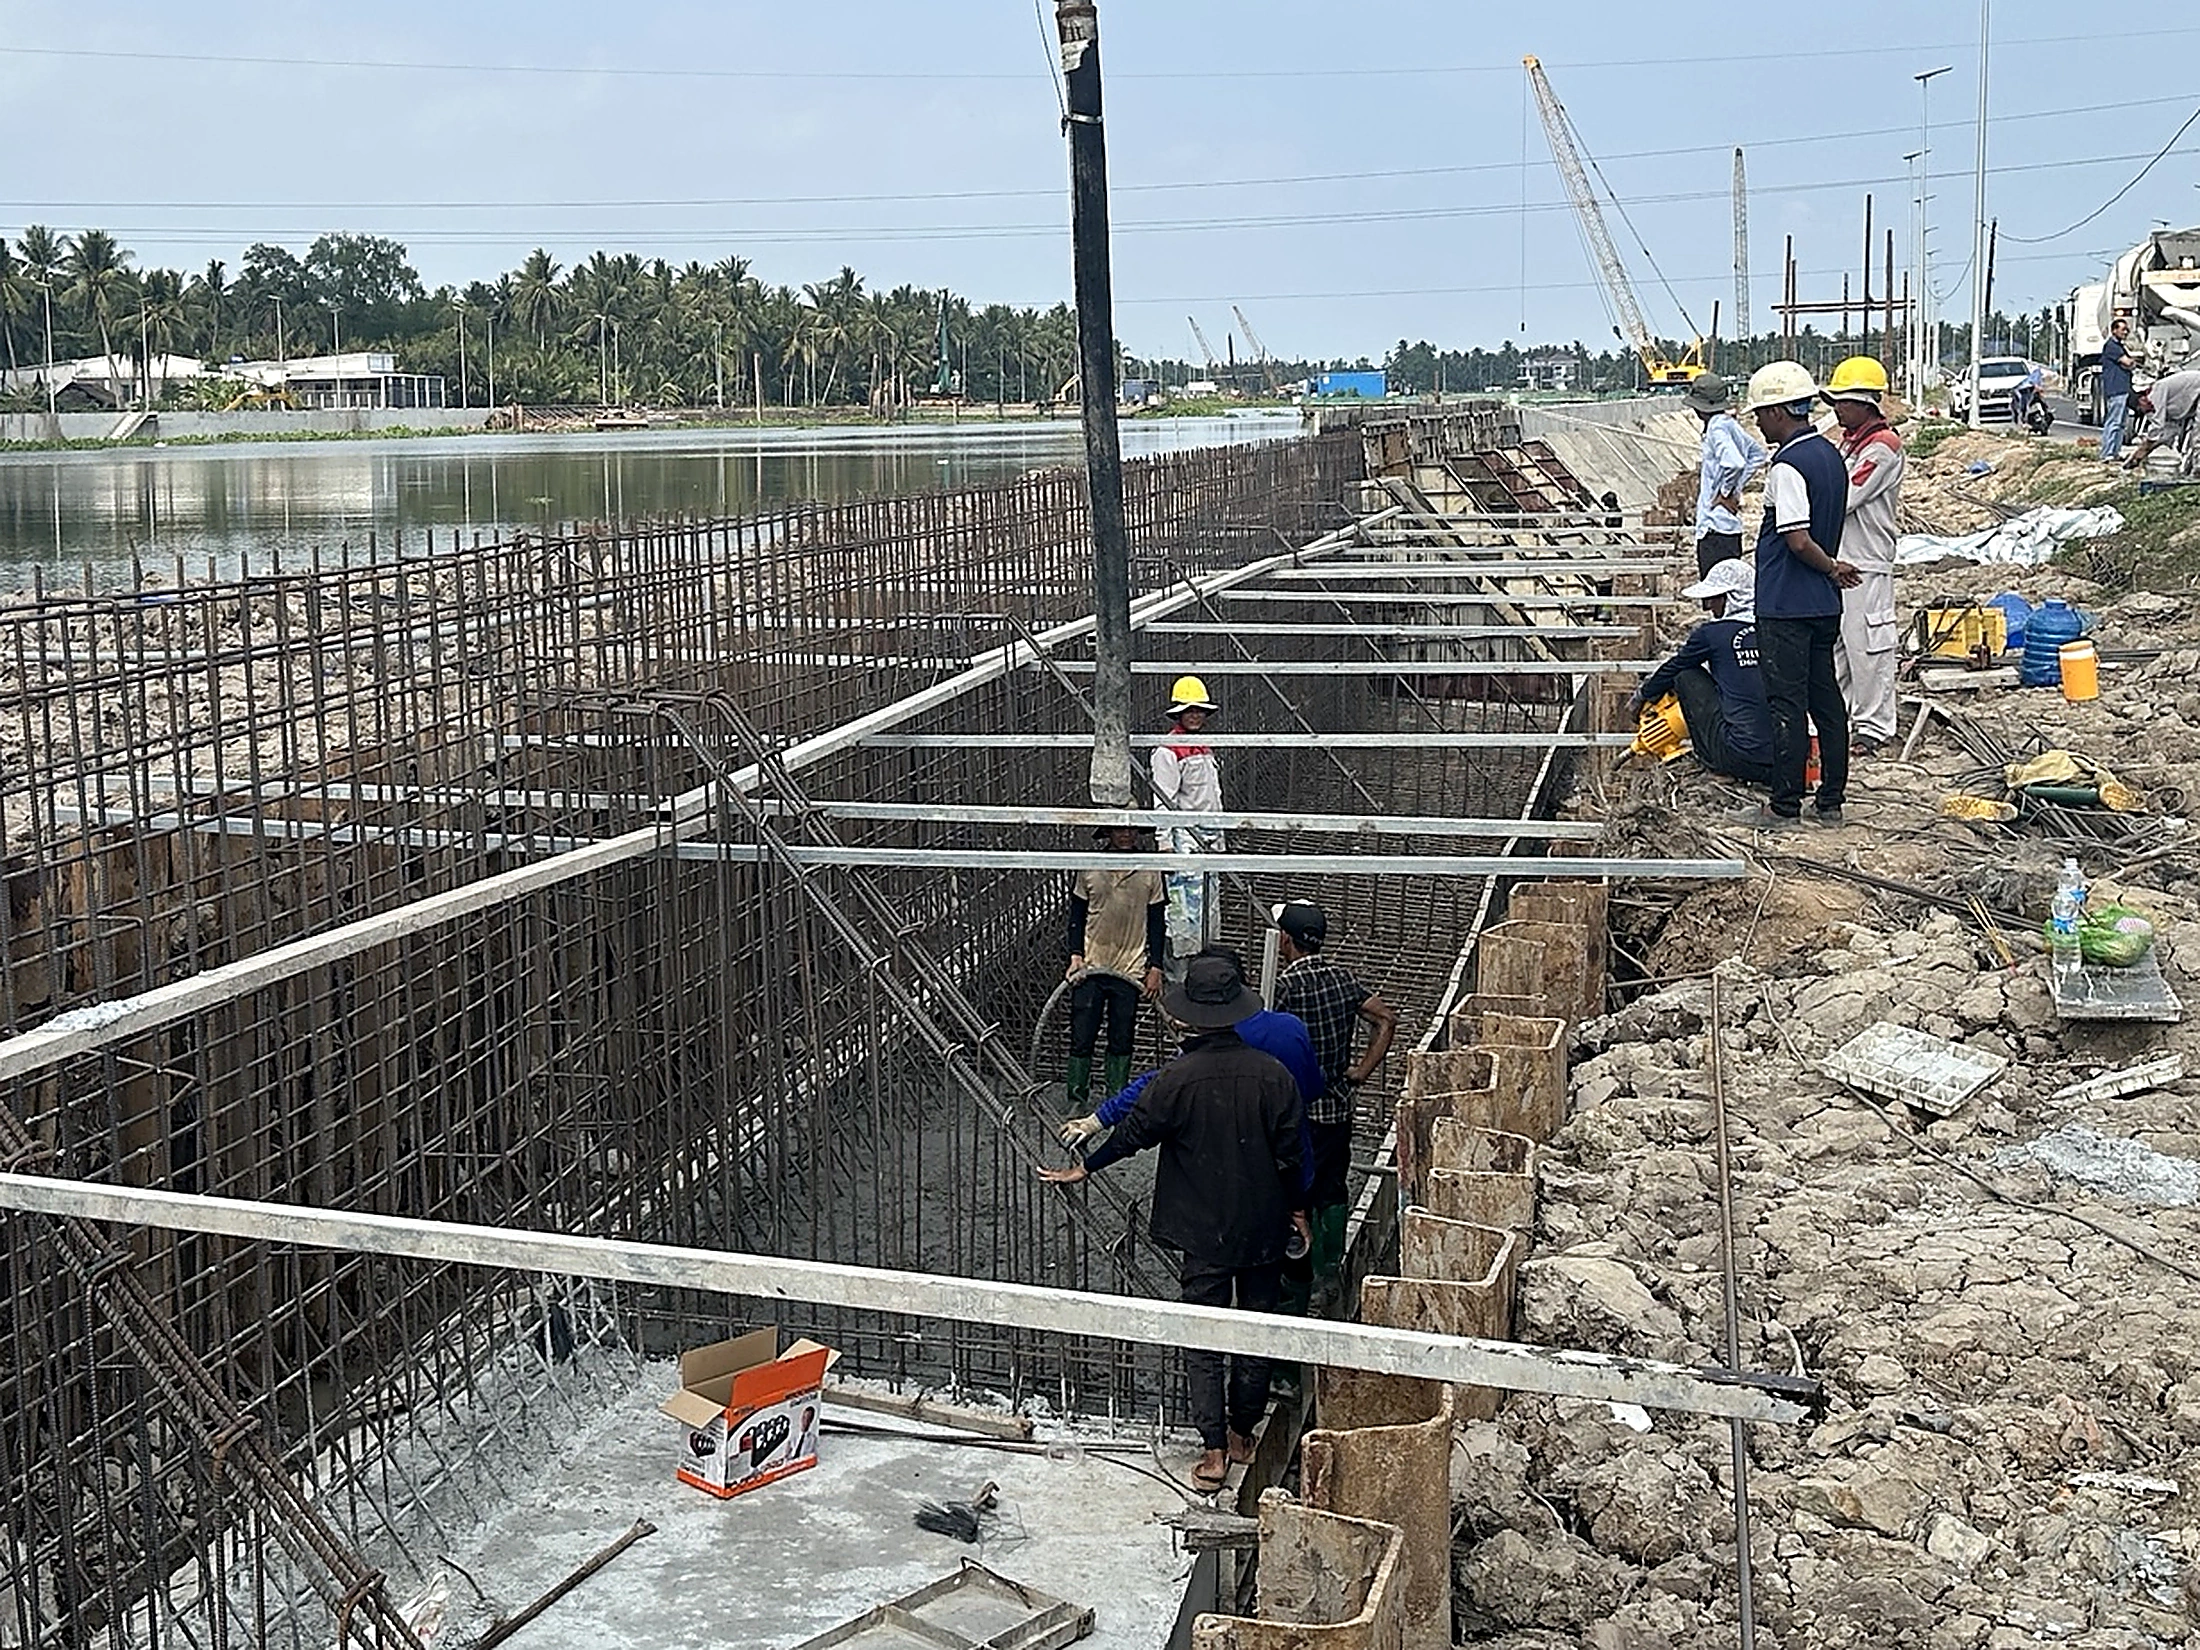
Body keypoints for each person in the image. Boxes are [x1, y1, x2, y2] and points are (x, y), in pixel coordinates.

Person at [1038, 953, 1307, 1491]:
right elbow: (1292, 1154)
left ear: (1191, 1018)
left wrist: (1086, 1166)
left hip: (1201, 1228)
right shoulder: (1272, 1075)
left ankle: (1213, 1449)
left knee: (1202, 1334)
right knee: (1257, 1329)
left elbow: (1134, 1133)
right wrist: (1296, 1209)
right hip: (1262, 1225)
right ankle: (1242, 1433)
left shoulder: (1176, 1078)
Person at [1740, 361, 1863, 828]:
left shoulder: (1788, 465)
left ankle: (1785, 803)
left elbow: (1796, 538)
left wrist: (1830, 566)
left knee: (1786, 704)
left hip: (1786, 604)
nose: (1758, 423)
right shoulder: (1830, 456)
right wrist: (1829, 573)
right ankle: (1830, 800)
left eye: (1760, 414)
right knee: (1826, 701)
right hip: (1822, 603)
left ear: (1777, 411)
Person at [1271, 901, 1396, 1297]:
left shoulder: (1284, 988)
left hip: (1297, 1110)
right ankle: (1332, 1271)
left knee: (1296, 1193)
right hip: (1338, 1106)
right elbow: (1386, 1018)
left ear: (1286, 940)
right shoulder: (1343, 978)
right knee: (1333, 1187)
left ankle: (1300, 1276)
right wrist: (1362, 1070)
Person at [1630, 556, 1774, 785]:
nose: (1708, 607)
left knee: (1686, 676)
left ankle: (1714, 763)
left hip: (1738, 757)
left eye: (1713, 599)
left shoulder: (1712, 634)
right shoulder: (1775, 629)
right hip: (1786, 758)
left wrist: (1643, 694)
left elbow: (1675, 667)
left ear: (1731, 597)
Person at [1825, 356, 1905, 752]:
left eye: (1843, 401)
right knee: (1840, 649)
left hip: (1866, 562)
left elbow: (1846, 496)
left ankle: (1875, 726)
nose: (1837, 409)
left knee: (1869, 648)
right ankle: (1840, 719)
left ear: (1865, 403)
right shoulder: (1852, 443)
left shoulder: (1881, 449)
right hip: (1842, 561)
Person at [1062, 823, 1165, 1113]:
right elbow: (1076, 916)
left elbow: (1157, 921)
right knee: (1082, 1033)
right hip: (1092, 964)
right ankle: (1077, 1097)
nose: (1126, 835)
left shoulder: (1150, 869)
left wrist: (1155, 966)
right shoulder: (1090, 867)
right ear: (1107, 833)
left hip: (1129, 966)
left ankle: (1116, 1097)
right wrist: (1075, 955)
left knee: (1122, 1035)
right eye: (1119, 829)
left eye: (1131, 830)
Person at [1150, 675, 1224, 970]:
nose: (1195, 715)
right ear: (1178, 713)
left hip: (1208, 841)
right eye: (1189, 710)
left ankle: (1202, 973)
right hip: (1185, 844)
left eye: (1199, 710)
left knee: (1206, 913)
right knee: (1181, 919)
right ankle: (1179, 982)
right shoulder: (1168, 751)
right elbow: (1163, 799)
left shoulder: (1203, 747)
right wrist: (1165, 844)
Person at [1687, 371, 1768, 577]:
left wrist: (1724, 492)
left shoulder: (1717, 429)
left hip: (1714, 530)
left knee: (1715, 590)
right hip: (1728, 530)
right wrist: (1736, 487)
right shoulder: (1728, 423)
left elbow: (1734, 463)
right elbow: (1757, 454)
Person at [2122, 366, 2200, 472]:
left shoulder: (2155, 395)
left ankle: (2197, 471)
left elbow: (2156, 428)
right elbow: (2168, 431)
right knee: (2193, 440)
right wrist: (2139, 454)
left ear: (2142, 399)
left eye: (2141, 408)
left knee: (2198, 438)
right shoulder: (2160, 404)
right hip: (2194, 393)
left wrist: (2142, 450)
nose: (2145, 412)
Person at [2101, 316, 2140, 462]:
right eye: (2123, 329)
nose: (2126, 332)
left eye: (2127, 329)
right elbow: (2128, 362)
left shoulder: (2120, 347)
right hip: (2116, 389)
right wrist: (2131, 363)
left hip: (2124, 388)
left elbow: (2128, 364)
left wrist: (2130, 363)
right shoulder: (2112, 346)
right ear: (2114, 330)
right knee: (2114, 422)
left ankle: (2115, 452)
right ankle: (2107, 453)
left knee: (2121, 424)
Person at [2012, 362, 2047, 431]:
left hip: (2031, 394)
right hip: (2024, 392)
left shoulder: (2035, 372)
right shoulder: (2024, 380)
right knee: (2023, 407)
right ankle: (2023, 421)